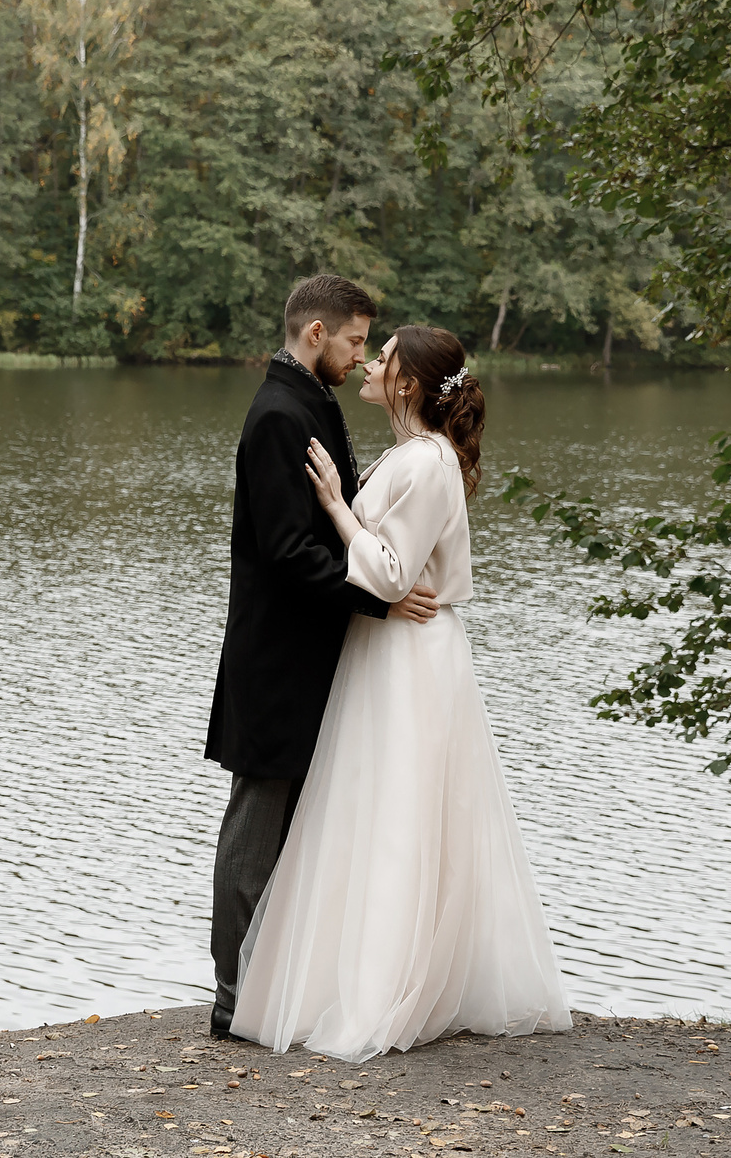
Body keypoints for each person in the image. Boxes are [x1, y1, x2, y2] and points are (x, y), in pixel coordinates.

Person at [230, 323, 571, 1061]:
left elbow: (386, 574)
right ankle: (355, 979)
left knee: (395, 817)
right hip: (392, 650)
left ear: (409, 381)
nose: (369, 363)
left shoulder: (426, 462)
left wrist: (333, 505)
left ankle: (383, 993)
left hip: (408, 653)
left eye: (381, 356)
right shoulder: (414, 454)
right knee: (375, 811)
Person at [206, 275, 440, 1042]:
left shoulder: (309, 399)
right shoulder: (278, 413)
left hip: (313, 654)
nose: (360, 354)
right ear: (315, 335)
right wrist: (378, 596)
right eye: (353, 340)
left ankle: (283, 986)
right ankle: (236, 997)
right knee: (257, 825)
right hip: (276, 658)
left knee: (302, 828)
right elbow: (285, 549)